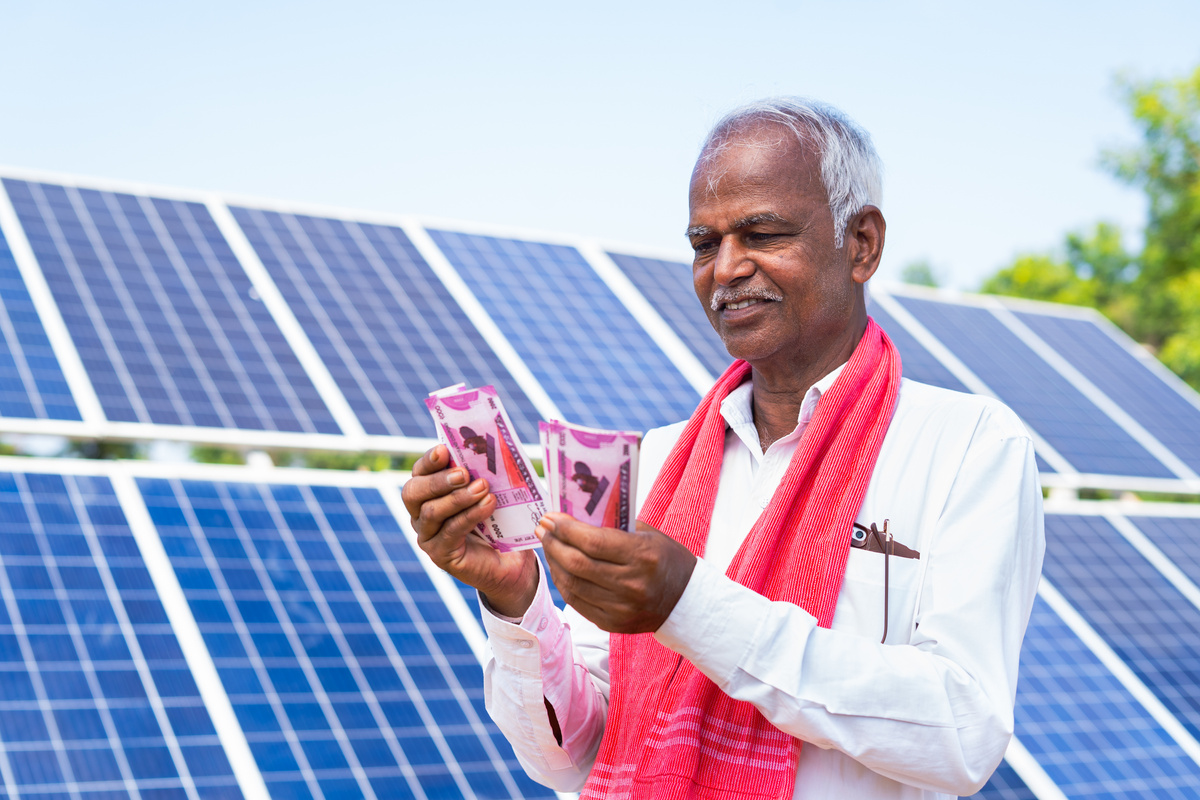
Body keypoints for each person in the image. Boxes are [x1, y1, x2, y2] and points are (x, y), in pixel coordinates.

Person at [401, 97, 1044, 799]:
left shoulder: (965, 446)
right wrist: (516, 603)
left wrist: (689, 605)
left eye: (762, 234)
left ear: (861, 244)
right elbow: (568, 758)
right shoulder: (659, 461)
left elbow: (963, 733)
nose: (726, 269)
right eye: (704, 244)